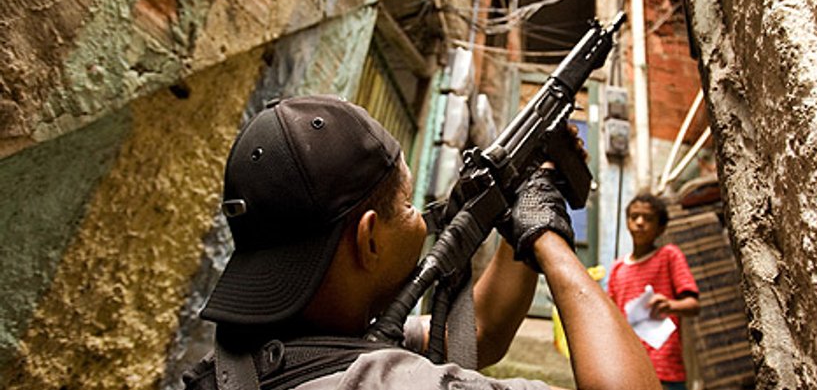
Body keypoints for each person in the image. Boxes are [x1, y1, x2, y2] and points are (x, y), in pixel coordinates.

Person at [182, 95, 659, 390]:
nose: (419, 218)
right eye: (408, 204)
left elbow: (481, 332)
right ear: (369, 239)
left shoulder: (241, 359)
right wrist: (550, 239)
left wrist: (524, 202)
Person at [607, 193, 701, 390]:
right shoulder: (618, 268)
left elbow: (693, 305)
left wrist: (670, 305)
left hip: (665, 367)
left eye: (648, 218)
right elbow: (612, 317)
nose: (640, 222)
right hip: (628, 366)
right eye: (634, 217)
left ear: (661, 228)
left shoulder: (669, 256)